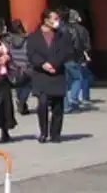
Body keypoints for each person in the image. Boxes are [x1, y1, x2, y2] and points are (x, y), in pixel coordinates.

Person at [26, 8, 74, 144]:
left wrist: (55, 65)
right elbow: (31, 54)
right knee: (42, 103)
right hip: (41, 74)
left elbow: (67, 52)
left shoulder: (62, 36)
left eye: (57, 19)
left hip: (57, 73)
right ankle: (43, 132)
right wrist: (42, 64)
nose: (57, 21)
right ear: (46, 20)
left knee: (58, 106)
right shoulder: (34, 36)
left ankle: (55, 134)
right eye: (55, 19)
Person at [63, 9, 93, 111]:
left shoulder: (60, 29)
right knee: (79, 78)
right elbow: (85, 45)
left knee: (65, 82)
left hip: (62, 58)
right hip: (76, 58)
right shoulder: (81, 30)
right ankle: (77, 98)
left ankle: (66, 104)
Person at [4, 20, 33, 116]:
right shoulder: (27, 39)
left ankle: (21, 102)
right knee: (28, 85)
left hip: (14, 66)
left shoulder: (7, 39)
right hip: (26, 65)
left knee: (19, 85)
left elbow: (6, 52)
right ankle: (22, 102)